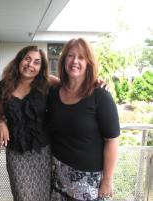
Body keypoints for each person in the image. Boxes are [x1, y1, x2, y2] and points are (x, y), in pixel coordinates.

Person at [47, 38, 120, 201]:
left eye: (81, 57)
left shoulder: (100, 96)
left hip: (89, 181)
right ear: (64, 60)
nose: (75, 61)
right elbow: (33, 75)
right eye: (70, 56)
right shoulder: (54, 92)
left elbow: (113, 140)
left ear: (89, 63)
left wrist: (107, 180)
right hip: (58, 177)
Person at [0, 46, 53, 201]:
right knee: (22, 196)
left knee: (43, 196)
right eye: (27, 59)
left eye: (37, 62)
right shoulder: (2, 87)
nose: (30, 65)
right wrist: (1, 123)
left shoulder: (48, 84)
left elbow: (73, 86)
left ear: (41, 68)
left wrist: (96, 82)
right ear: (19, 59)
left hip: (42, 152)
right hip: (16, 152)